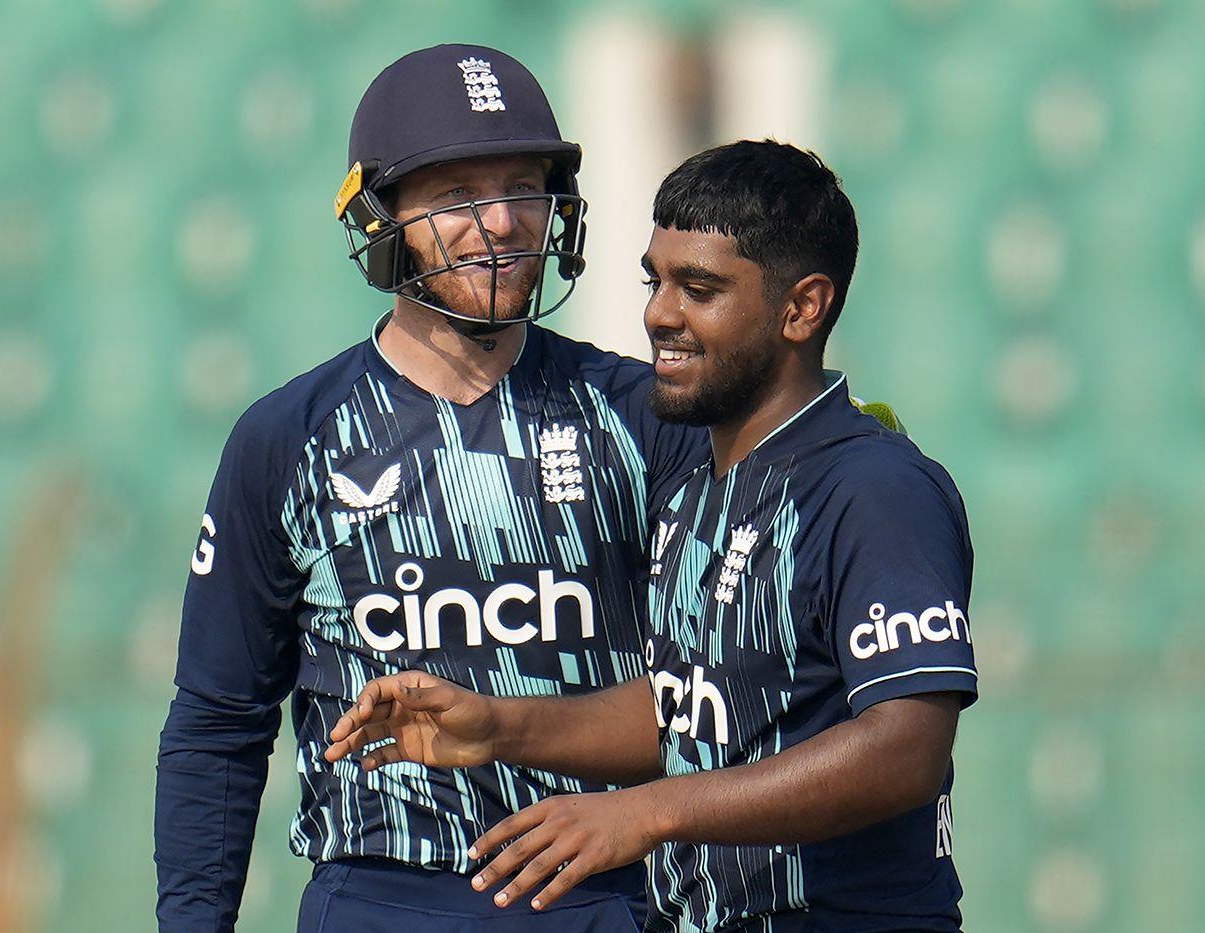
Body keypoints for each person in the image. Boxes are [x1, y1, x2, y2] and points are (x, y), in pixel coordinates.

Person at [324, 140, 979, 932]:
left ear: (802, 308)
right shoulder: (698, 487)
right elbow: (687, 708)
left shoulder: (872, 489)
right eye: (655, 280)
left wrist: (650, 811)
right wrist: (500, 726)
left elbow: (905, 746)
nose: (660, 314)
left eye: (699, 289)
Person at [153, 44, 710, 932]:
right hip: (380, 897)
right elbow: (219, 721)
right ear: (382, 219)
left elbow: (708, 694)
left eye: (521, 188)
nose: (498, 223)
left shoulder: (646, 416)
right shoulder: (286, 437)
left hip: (605, 897)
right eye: (456, 197)